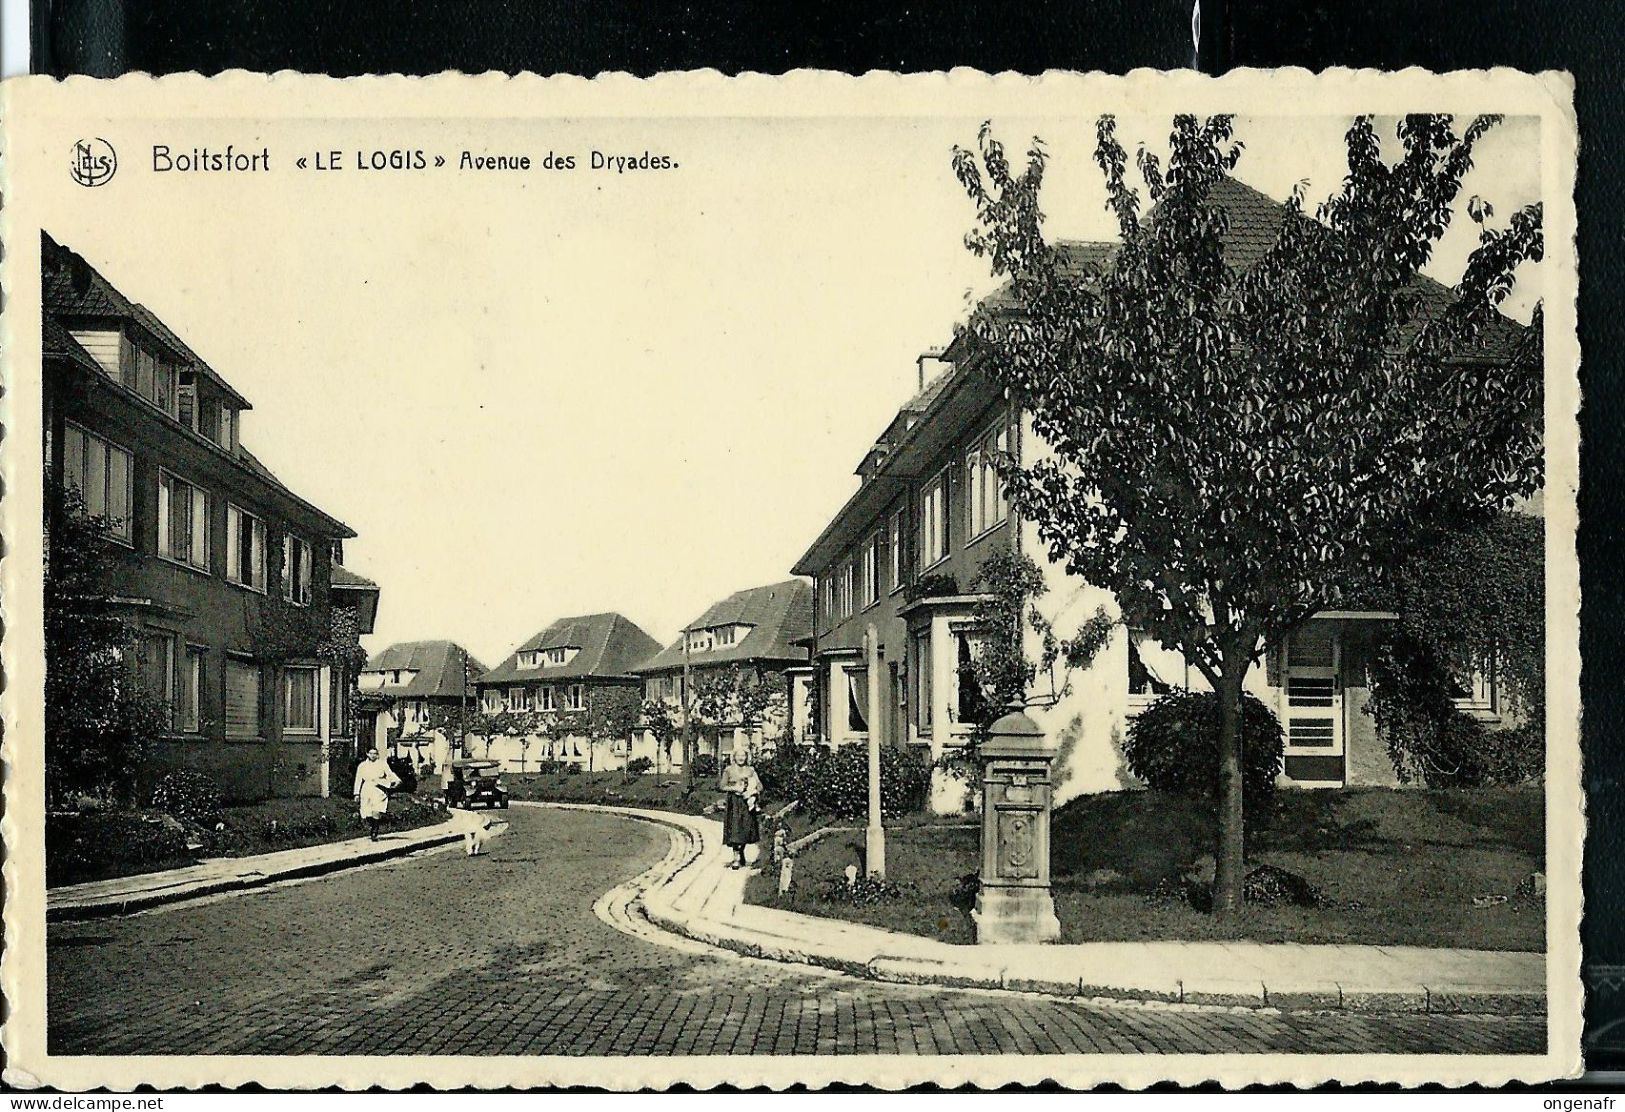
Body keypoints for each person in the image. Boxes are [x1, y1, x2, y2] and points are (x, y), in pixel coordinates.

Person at [718, 745, 762, 869]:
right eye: (739, 756)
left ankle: (741, 851)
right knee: (735, 829)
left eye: (743, 756)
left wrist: (753, 792)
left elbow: (760, 785)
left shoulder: (751, 770)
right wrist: (734, 788)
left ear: (746, 757)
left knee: (745, 828)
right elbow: (722, 786)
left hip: (747, 803)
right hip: (734, 803)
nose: (741, 758)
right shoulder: (729, 770)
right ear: (734, 757)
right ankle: (736, 857)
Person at [353, 747, 401, 841]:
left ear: (377, 754)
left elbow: (389, 774)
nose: (373, 755)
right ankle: (372, 825)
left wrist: (395, 781)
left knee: (376, 810)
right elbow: (358, 779)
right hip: (367, 789)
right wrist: (356, 793)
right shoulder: (362, 766)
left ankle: (374, 831)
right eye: (371, 753)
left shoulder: (382, 764)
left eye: (375, 753)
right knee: (366, 812)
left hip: (379, 789)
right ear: (367, 754)